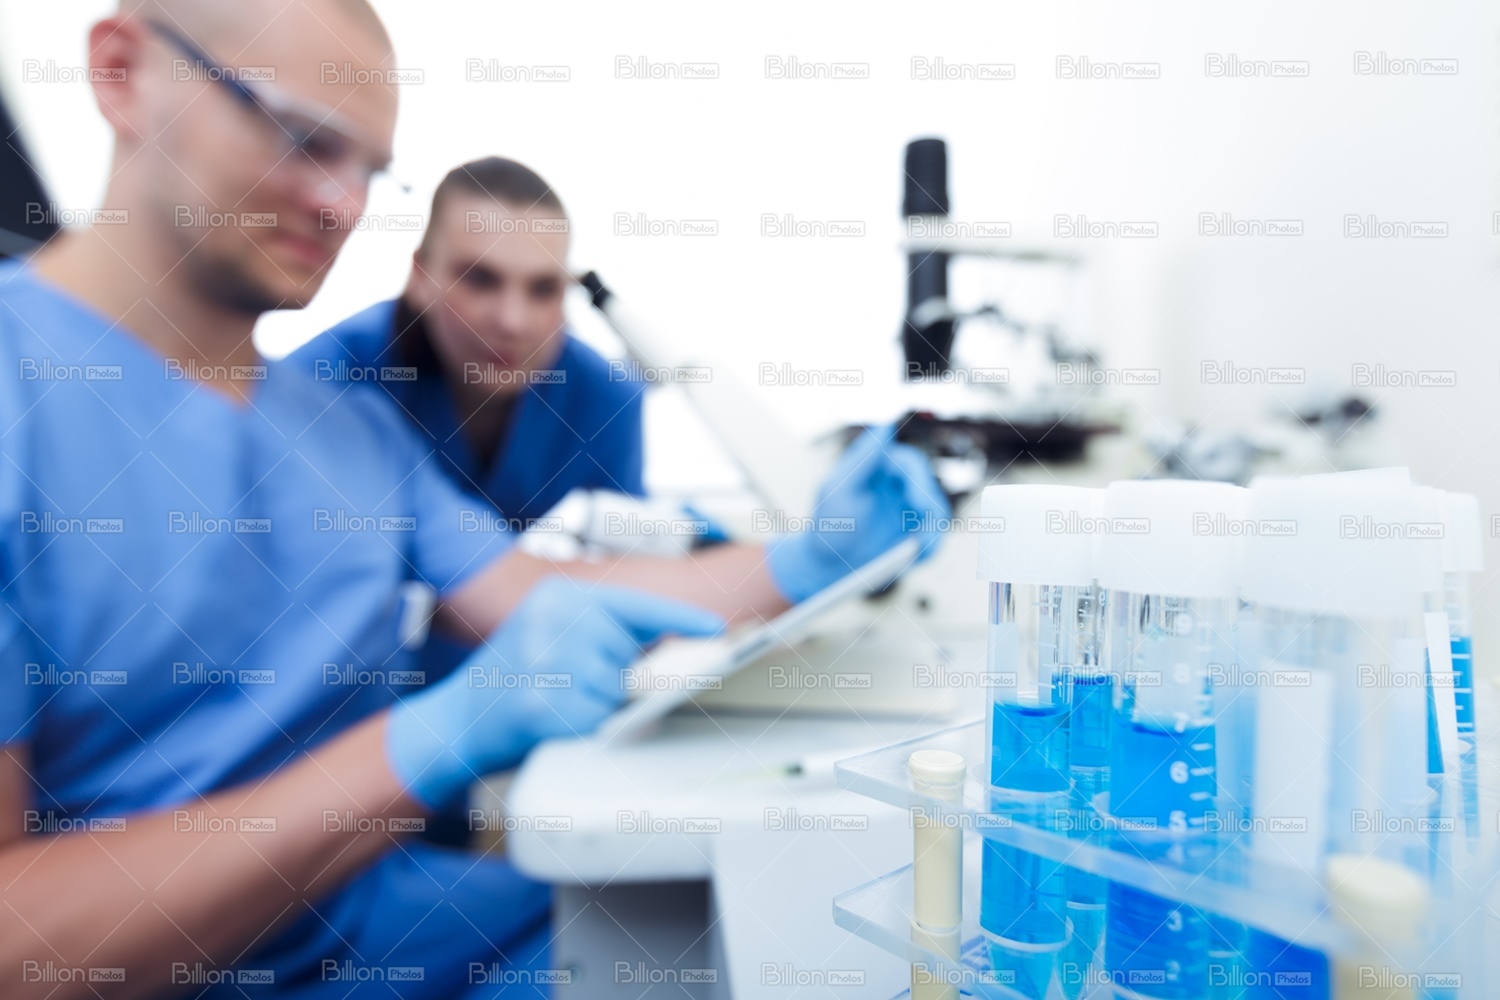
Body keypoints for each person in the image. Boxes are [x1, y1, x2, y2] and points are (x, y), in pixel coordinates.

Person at [0, 2, 950, 997]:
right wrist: (424, 743)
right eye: (300, 135)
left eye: (369, 170)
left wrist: (821, 554)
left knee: (728, 931)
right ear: (122, 71)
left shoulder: (349, 433)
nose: (340, 204)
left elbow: (549, 597)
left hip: (376, 930)